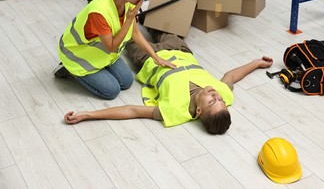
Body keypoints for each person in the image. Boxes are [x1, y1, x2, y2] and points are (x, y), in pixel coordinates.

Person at [64, 30, 273, 134]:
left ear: (198, 112)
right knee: (160, 23)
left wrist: (87, 115)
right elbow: (231, 76)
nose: (215, 95)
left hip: (149, 59)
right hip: (180, 50)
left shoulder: (174, 111)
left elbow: (133, 111)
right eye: (219, 99)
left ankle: (78, 58)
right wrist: (255, 63)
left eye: (212, 101)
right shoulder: (223, 95)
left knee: (125, 37)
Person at [53, 0, 175, 100]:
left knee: (126, 82)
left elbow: (135, 33)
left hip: (102, 55)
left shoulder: (129, 1)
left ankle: (100, 70)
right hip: (78, 56)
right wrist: (129, 20)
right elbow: (111, 46)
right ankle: (69, 70)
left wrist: (155, 56)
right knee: (111, 91)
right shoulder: (99, 11)